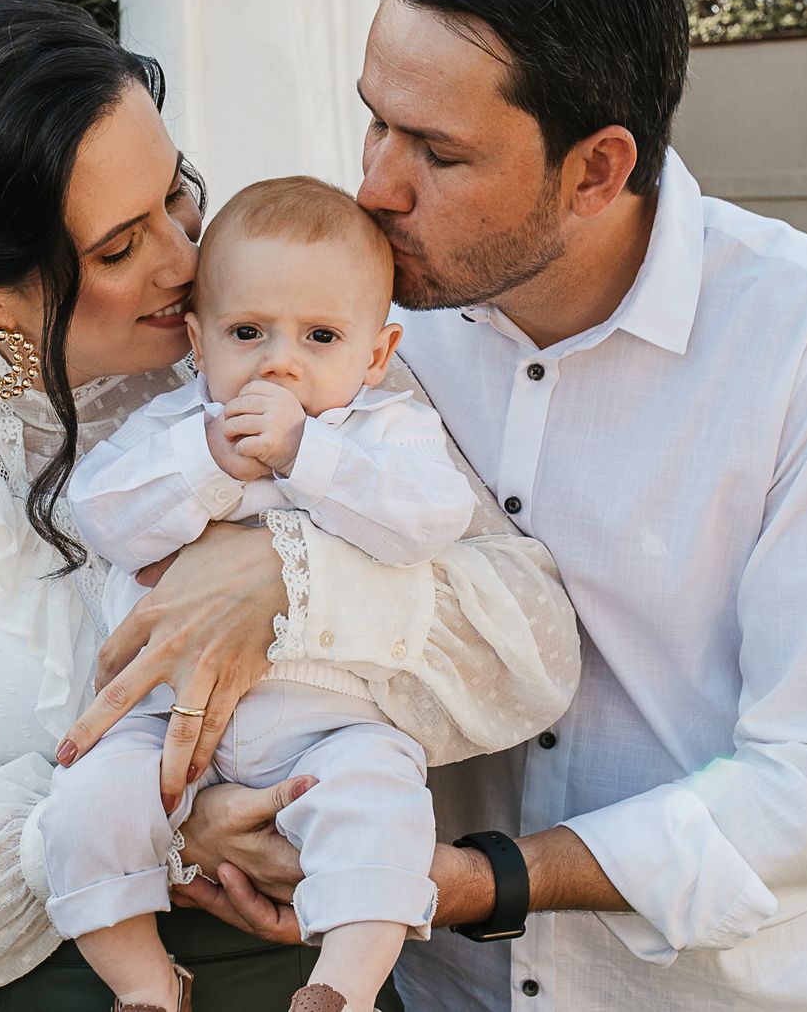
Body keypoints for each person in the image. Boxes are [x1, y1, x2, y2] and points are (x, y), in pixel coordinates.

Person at [83, 0, 807, 1010]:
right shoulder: (357, 313)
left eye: (435, 151)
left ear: (596, 169)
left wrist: (482, 879)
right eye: (373, 118)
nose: (374, 184)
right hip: (427, 990)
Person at [0, 0, 580, 1010]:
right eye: (119, 247)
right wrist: (164, 824)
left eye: (178, 192)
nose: (184, 258)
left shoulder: (282, 340)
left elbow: (532, 639)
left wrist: (284, 580)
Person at [44, 177, 571, 1012]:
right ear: (197, 339)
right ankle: (144, 983)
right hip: (166, 725)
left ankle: (342, 988)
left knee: (381, 805)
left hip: (332, 722)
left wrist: (308, 459)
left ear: (374, 352)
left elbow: (428, 521)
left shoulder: (384, 429)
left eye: (320, 335)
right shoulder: (179, 427)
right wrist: (207, 462)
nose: (280, 361)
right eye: (247, 331)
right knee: (85, 805)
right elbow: (102, 514)